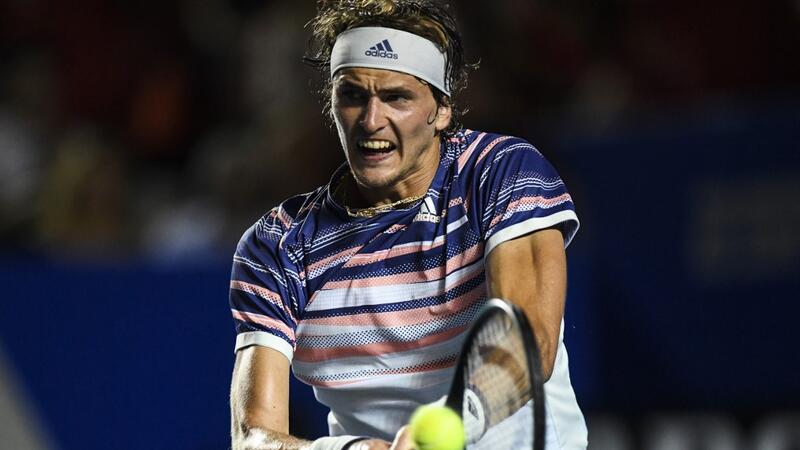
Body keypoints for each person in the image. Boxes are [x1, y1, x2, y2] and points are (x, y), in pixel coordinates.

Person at [228, 1, 588, 449]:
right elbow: (253, 438)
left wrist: (452, 423)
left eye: (397, 97)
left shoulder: (502, 172)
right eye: (353, 95)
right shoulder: (277, 245)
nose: (371, 120)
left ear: (442, 110)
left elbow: (528, 341)